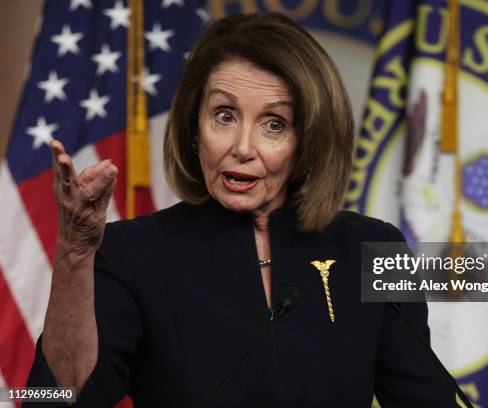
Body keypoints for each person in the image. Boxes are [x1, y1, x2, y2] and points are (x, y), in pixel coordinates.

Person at [26, 12, 458, 407]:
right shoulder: (129, 252)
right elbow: (51, 398)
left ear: (308, 141)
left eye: (274, 124)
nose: (243, 149)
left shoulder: (376, 246)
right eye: (225, 115)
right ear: (194, 126)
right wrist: (74, 252)